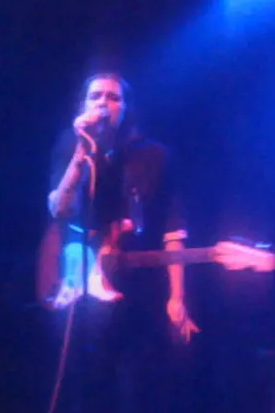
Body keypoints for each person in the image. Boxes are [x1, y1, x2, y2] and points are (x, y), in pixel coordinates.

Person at [47, 71, 199, 412]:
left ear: (126, 108)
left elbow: (173, 230)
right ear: (83, 106)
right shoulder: (69, 146)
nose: (103, 104)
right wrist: (82, 151)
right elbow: (60, 208)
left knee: (135, 382)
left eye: (113, 97)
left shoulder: (154, 156)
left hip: (137, 287)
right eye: (95, 96)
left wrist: (177, 297)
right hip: (79, 286)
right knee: (84, 383)